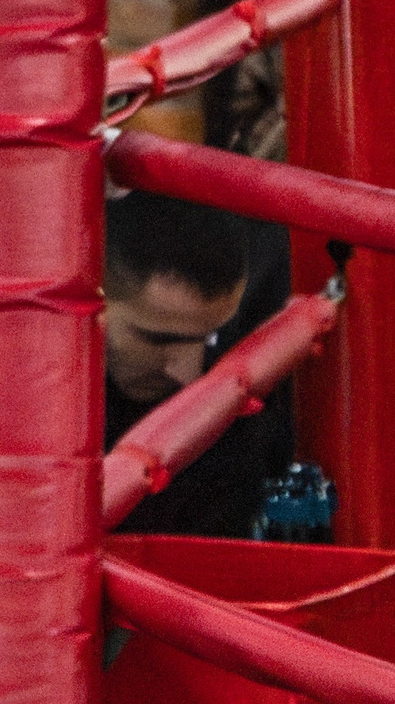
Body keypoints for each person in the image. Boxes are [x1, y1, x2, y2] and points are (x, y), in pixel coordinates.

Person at [104, 191, 284, 537]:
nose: (188, 374)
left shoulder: (230, 428)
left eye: (209, 337)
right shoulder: (11, 402)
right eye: (160, 340)